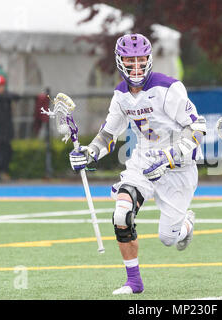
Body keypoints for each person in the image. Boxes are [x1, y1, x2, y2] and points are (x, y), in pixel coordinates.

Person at [69, 34, 206, 295]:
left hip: (177, 168)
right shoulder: (120, 95)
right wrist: (90, 153)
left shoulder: (169, 88)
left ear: (149, 60)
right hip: (143, 160)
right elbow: (109, 134)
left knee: (168, 238)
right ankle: (134, 281)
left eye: (140, 60)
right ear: (120, 62)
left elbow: (197, 128)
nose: (136, 67)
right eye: (130, 61)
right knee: (122, 212)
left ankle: (186, 224)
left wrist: (171, 155)